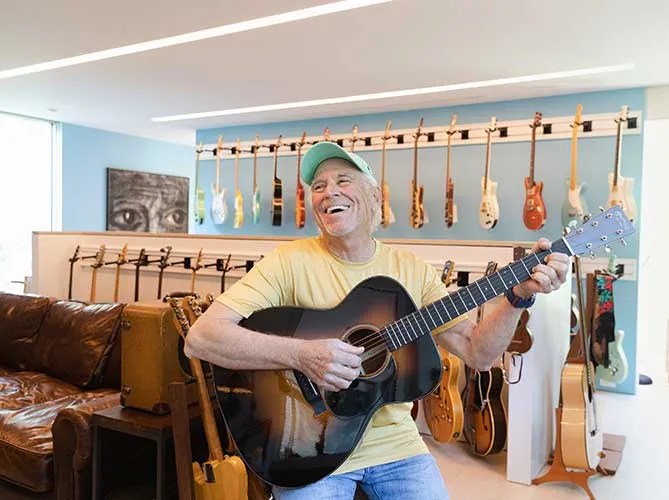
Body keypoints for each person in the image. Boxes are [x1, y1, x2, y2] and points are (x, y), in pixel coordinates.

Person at [185, 141, 570, 499]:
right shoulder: (288, 262)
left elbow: (479, 354)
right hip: (308, 450)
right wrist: (302, 356)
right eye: (318, 186)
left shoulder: (410, 270)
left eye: (342, 181)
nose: (328, 191)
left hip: (396, 446)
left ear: (372, 196)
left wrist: (518, 298)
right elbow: (201, 338)